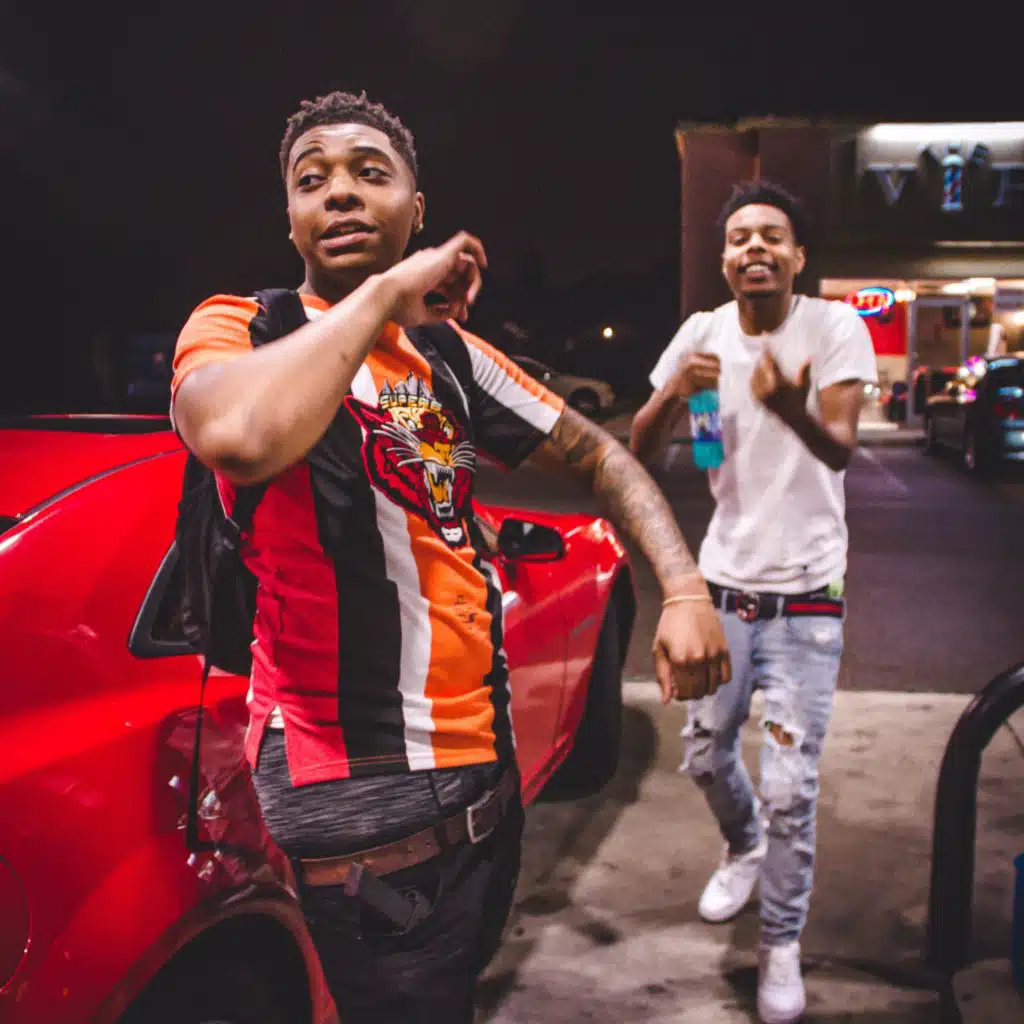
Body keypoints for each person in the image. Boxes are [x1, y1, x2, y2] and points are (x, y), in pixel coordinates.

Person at [170, 90, 730, 1024]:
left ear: (416, 209)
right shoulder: (244, 326)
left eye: (370, 173)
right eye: (312, 180)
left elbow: (601, 455)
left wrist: (682, 585)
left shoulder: (447, 357)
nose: (339, 193)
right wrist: (387, 293)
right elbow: (237, 435)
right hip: (361, 798)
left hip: (484, 776)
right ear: (291, 217)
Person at [630, 181, 877, 1024]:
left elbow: (839, 450)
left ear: (798, 256)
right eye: (739, 238)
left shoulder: (833, 328)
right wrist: (677, 391)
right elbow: (656, 451)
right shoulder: (701, 334)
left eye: (772, 235)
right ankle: (743, 848)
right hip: (724, 591)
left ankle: (780, 945)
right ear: (725, 257)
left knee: (790, 788)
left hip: (807, 601)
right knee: (705, 757)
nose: (754, 248)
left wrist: (790, 409)